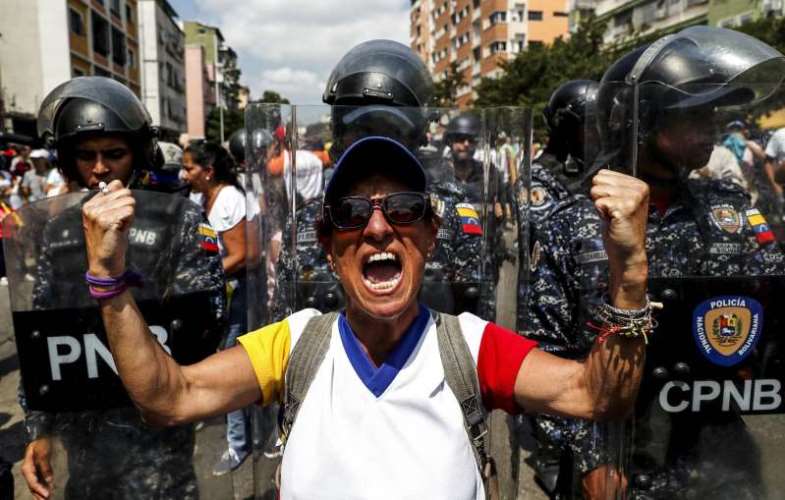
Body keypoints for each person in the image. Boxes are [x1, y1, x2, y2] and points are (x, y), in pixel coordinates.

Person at [82, 133, 650, 499]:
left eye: (402, 209)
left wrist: (629, 267)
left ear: (429, 237)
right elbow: (169, 397)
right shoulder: (295, 345)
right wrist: (108, 280)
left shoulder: (467, 347)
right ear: (330, 247)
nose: (378, 228)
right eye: (353, 214)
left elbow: (597, 397)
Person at [527, 26, 785, 499]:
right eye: (695, 113)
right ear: (641, 121)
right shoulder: (576, 222)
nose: (712, 123)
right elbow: (540, 359)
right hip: (620, 463)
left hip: (719, 459)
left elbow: (771, 303)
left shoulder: (728, 209)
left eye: (714, 110)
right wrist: (588, 458)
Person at [20, 76, 226, 500]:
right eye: (86, 156)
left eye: (114, 154)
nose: (99, 169)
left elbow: (206, 325)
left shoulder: (178, 220)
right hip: (86, 444)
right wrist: (40, 431)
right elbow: (41, 333)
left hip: (158, 445)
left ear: (138, 152)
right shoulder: (58, 230)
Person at [180, 140, 252, 475]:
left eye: (189, 167)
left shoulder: (229, 199)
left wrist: (202, 276)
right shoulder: (198, 197)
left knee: (229, 367)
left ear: (208, 172)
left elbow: (239, 254)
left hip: (231, 294)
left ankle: (238, 444)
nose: (184, 173)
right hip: (207, 293)